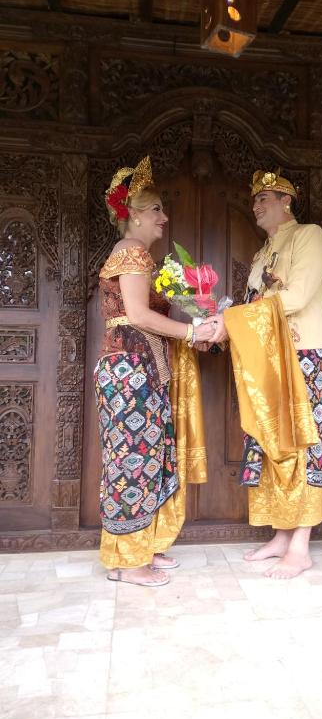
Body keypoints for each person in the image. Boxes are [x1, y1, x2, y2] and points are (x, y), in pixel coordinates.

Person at [95, 156, 216, 587]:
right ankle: (128, 562)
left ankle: (143, 546)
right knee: (133, 460)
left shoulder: (141, 255)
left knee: (149, 458)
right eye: (156, 209)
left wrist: (195, 325)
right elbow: (138, 315)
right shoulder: (131, 251)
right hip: (129, 372)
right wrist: (193, 330)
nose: (164, 217)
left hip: (142, 370)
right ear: (135, 214)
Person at [208, 168, 322, 580]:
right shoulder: (263, 253)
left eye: (264, 198)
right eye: (255, 199)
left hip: (301, 351)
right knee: (268, 441)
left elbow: (297, 296)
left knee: (302, 440)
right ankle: (281, 533)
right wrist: (220, 322)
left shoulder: (309, 236)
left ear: (286, 201)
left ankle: (301, 545)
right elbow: (252, 302)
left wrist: (231, 320)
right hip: (264, 355)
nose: (256, 205)